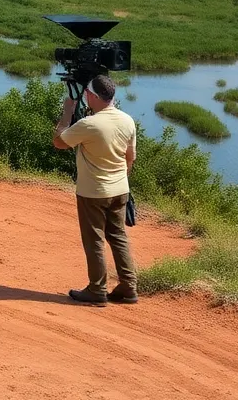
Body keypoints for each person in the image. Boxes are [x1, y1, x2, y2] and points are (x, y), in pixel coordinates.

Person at [53, 74, 138, 306]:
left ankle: (97, 290)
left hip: (93, 192)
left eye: (87, 95)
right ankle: (129, 287)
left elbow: (59, 142)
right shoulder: (127, 120)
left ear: (91, 95)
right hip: (120, 189)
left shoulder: (89, 124)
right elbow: (131, 157)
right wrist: (121, 179)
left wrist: (68, 112)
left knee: (95, 241)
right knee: (118, 236)